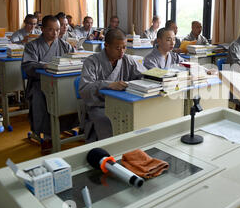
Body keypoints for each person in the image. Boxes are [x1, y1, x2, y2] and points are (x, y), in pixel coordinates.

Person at [79, 29, 146, 143]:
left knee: (141, 118)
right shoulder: (92, 62)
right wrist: (108, 85)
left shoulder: (127, 60)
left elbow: (146, 75)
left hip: (124, 105)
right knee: (108, 122)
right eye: (117, 48)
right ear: (106, 46)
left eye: (124, 47)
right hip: (100, 106)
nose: (122, 52)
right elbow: (85, 89)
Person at [21, 15, 76, 154]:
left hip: (61, 82)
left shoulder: (65, 45)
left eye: (57, 30)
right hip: (39, 83)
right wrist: (43, 66)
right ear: (42, 29)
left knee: (72, 94)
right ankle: (47, 136)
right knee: (41, 97)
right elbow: (27, 65)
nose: (55, 33)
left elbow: (75, 59)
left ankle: (68, 127)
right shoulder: (32, 46)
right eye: (51, 30)